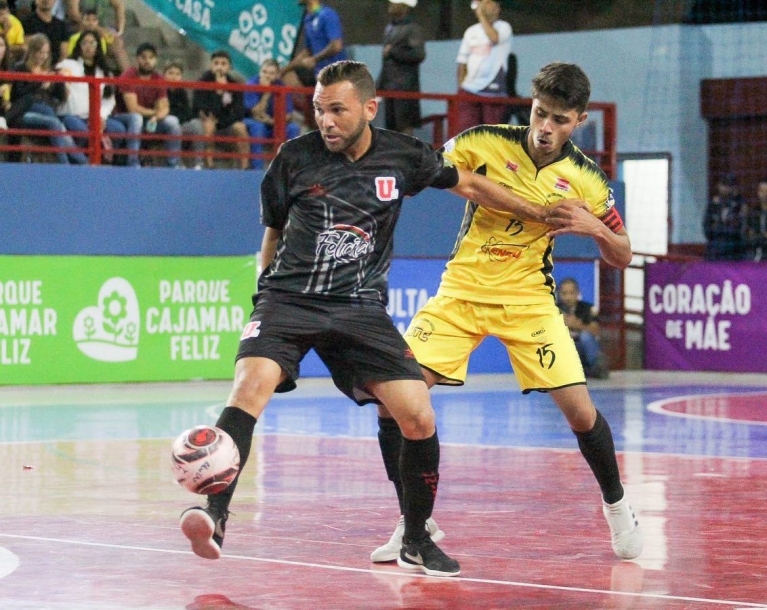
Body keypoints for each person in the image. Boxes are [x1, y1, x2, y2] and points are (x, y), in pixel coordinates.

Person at [178, 60, 552, 578]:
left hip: (359, 307)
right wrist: (263, 298)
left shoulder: (403, 155)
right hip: (289, 298)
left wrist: (535, 211)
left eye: (337, 110)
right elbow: (273, 235)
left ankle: (416, 539)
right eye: (317, 109)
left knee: (417, 413)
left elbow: (469, 184)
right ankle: (214, 514)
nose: (325, 121)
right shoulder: (294, 157)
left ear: (369, 109)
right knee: (248, 388)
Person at [370, 62, 644, 564]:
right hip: (462, 293)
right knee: (393, 399)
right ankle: (415, 521)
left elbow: (623, 253)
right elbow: (440, 173)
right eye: (540, 114)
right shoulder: (483, 140)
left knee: (581, 413)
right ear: (530, 105)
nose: (545, 128)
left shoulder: (585, 178)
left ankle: (618, 506)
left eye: (559, 120)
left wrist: (595, 228)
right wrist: (526, 206)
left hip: (528, 301)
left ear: (578, 121)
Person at [7, 32, 87, 163]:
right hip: (26, 112)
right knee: (53, 122)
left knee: (79, 129)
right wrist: (39, 84)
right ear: (32, 51)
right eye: (40, 52)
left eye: (46, 53)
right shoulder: (19, 68)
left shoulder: (50, 69)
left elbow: (60, 97)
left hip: (50, 110)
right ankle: (74, 164)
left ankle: (79, 162)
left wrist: (58, 82)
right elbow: (18, 95)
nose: (43, 56)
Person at [55, 28, 129, 161]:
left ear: (98, 46)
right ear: (79, 46)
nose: (89, 47)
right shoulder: (68, 65)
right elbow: (60, 82)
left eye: (92, 43)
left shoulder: (105, 71)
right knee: (84, 133)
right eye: (85, 43)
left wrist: (101, 117)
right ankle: (82, 162)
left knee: (119, 130)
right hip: (71, 115)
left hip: (95, 117)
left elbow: (109, 100)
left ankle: (105, 162)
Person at [116, 42, 182, 168]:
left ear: (155, 60)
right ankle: (133, 163)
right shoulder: (129, 74)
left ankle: (173, 165)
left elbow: (165, 107)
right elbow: (132, 108)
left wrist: (157, 117)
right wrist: (155, 113)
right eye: (143, 57)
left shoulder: (158, 78)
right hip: (123, 117)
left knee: (173, 122)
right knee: (136, 118)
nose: (147, 61)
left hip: (149, 119)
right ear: (137, 59)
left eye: (151, 58)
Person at [455, 0, 512, 132]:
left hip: (493, 92)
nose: (484, 6)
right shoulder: (471, 31)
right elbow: (462, 60)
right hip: (469, 91)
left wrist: (481, 16)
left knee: (490, 135)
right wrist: (461, 86)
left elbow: (494, 38)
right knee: (466, 133)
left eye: (488, 3)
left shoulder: (504, 27)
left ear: (497, 8)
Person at [192, 49, 250, 170]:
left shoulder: (235, 85)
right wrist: (218, 93)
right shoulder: (202, 83)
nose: (219, 67)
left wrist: (222, 121)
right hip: (208, 123)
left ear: (229, 67)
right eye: (216, 63)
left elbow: (239, 112)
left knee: (240, 127)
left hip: (227, 123)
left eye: (223, 64)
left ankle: (245, 166)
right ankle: (209, 163)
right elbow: (202, 109)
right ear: (211, 65)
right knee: (209, 125)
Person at [243, 58, 301, 171]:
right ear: (260, 72)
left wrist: (275, 122)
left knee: (293, 128)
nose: (267, 76)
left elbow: (289, 114)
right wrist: (267, 92)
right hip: (255, 121)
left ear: (277, 75)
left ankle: (289, 169)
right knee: (257, 127)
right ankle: (257, 169)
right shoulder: (251, 84)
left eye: (271, 73)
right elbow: (256, 113)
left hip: (275, 122)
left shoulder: (282, 86)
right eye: (264, 72)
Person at [377, 0, 425, 136]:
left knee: (404, 125)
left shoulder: (412, 28)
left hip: (405, 86)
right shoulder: (390, 27)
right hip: (390, 85)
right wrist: (380, 83)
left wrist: (394, 52)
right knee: (391, 126)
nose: (391, 4)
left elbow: (419, 54)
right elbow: (386, 61)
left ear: (404, 7)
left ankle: (406, 155)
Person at [282, 0, 347, 89]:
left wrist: (314, 60)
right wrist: (284, 70)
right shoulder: (308, 19)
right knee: (288, 75)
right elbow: (307, 50)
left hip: (335, 73)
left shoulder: (327, 14)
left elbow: (336, 46)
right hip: (318, 72)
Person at [556, 277, 609, 379]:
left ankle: (597, 368)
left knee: (586, 336)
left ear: (577, 293)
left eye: (571, 293)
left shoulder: (587, 308)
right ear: (559, 294)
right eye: (564, 293)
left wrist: (577, 325)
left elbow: (597, 331)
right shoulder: (554, 310)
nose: (568, 297)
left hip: (582, 347)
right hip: (565, 349)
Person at [163, 60, 204, 170]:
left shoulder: (182, 92)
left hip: (182, 123)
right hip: (167, 125)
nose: (174, 77)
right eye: (170, 73)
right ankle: (178, 163)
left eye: (177, 74)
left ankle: (199, 163)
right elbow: (165, 111)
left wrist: (180, 119)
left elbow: (188, 113)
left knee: (197, 124)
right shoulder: (161, 90)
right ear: (164, 75)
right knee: (175, 127)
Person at [65, 6, 128, 73]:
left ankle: (128, 77)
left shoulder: (101, 37)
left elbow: (113, 40)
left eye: (94, 20)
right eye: (87, 19)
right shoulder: (75, 37)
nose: (91, 23)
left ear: (98, 22)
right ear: (81, 21)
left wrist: (102, 31)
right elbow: (71, 55)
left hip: (98, 64)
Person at [702, 174, 745, 261]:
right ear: (719, 186)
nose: (726, 189)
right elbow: (707, 229)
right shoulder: (712, 206)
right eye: (723, 185)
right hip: (714, 252)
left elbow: (737, 230)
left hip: (733, 253)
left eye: (729, 186)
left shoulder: (739, 205)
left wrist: (719, 227)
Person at [22, 0, 69, 66]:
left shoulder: (61, 25)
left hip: (55, 69)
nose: (46, 0)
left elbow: (64, 54)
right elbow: (28, 49)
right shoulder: (27, 22)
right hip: (33, 68)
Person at [0, 0, 25, 65]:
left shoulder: (16, 23)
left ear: (8, 12)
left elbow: (21, 47)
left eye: (4, 14)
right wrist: (5, 32)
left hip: (12, 58)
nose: (2, 17)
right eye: (0, 14)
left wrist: (5, 49)